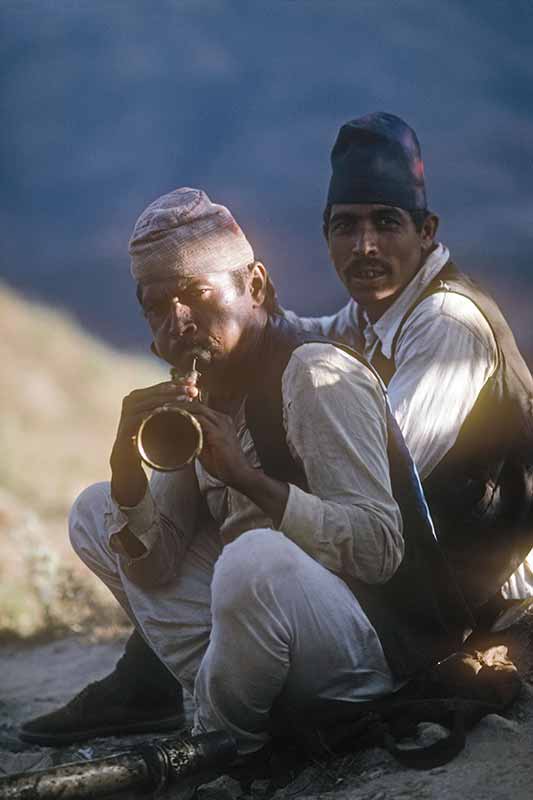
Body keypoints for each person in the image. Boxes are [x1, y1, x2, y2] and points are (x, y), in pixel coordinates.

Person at [21, 187, 469, 754]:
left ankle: (226, 734)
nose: (176, 322)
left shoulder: (314, 374)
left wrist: (249, 480)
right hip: (278, 636)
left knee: (253, 557)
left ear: (253, 286)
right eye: (157, 309)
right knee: (95, 509)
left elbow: (379, 549)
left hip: (375, 648)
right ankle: (240, 704)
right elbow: (155, 570)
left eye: (194, 295)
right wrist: (126, 467)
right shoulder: (205, 389)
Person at [286, 112, 533, 632]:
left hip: (492, 598)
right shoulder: (371, 315)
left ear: (426, 232)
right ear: (326, 233)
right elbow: (297, 336)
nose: (365, 246)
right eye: (346, 226)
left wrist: (262, 485)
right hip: (434, 575)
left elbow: (378, 479)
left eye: (385, 222)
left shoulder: (446, 323)